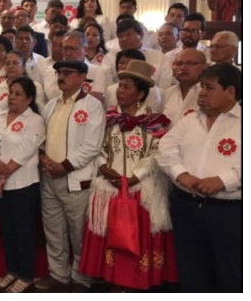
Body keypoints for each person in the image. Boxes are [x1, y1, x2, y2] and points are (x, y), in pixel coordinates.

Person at [79, 60, 178, 291]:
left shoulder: (156, 122)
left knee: (137, 237)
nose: (120, 91)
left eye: (126, 87)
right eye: (119, 86)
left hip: (141, 191)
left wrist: (135, 177)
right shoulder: (108, 119)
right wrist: (104, 168)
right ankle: (116, 281)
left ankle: (137, 283)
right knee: (114, 238)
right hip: (110, 190)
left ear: (141, 94)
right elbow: (97, 148)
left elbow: (157, 154)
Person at [156, 63, 242, 292]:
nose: (201, 93)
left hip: (228, 211)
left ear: (230, 92)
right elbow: (165, 148)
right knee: (190, 270)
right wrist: (180, 174)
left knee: (230, 272)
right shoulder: (189, 120)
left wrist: (224, 180)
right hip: (186, 206)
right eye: (201, 86)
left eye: (209, 88)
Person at [36, 60, 104, 293]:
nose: (61, 76)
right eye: (59, 72)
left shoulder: (92, 106)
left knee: (79, 232)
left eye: (67, 72)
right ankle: (59, 274)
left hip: (75, 178)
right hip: (49, 176)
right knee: (53, 230)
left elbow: (92, 145)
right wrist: (42, 157)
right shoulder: (51, 105)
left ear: (82, 77)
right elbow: (41, 138)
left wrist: (65, 166)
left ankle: (81, 278)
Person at [0, 76, 45, 293]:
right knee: (7, 230)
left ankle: (26, 275)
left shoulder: (35, 120)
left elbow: (25, 150)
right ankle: (12, 270)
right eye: (11, 93)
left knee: (23, 231)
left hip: (22, 183)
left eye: (18, 94)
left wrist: (4, 173)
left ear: (29, 99)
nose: (12, 97)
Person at [0, 50, 45, 119]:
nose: (11, 66)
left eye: (15, 63)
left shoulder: (36, 86)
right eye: (7, 63)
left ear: (23, 67)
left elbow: (40, 111)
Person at [105, 48, 163, 113]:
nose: (124, 66)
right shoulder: (110, 91)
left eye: (127, 87)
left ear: (141, 94)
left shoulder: (152, 92)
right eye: (121, 63)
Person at [162, 49, 207, 126]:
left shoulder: (209, 94)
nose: (183, 68)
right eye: (179, 64)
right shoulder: (167, 93)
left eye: (190, 63)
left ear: (204, 67)